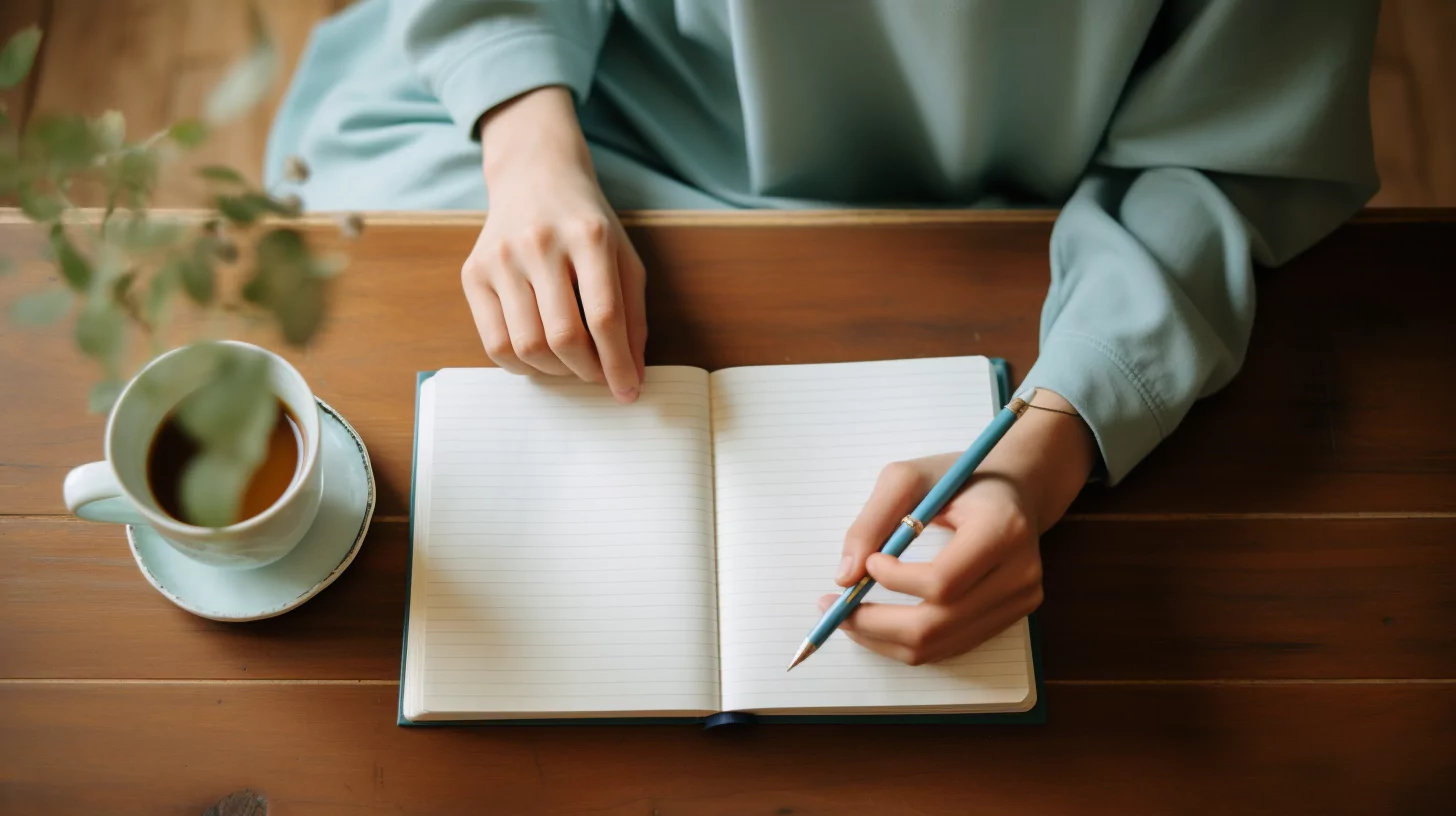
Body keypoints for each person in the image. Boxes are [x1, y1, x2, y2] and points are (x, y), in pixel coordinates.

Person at [267, 0, 1380, 666]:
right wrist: (527, 156)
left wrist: (1045, 449)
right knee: (360, 262)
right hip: (591, 112)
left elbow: (1218, 153)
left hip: (1026, 226)